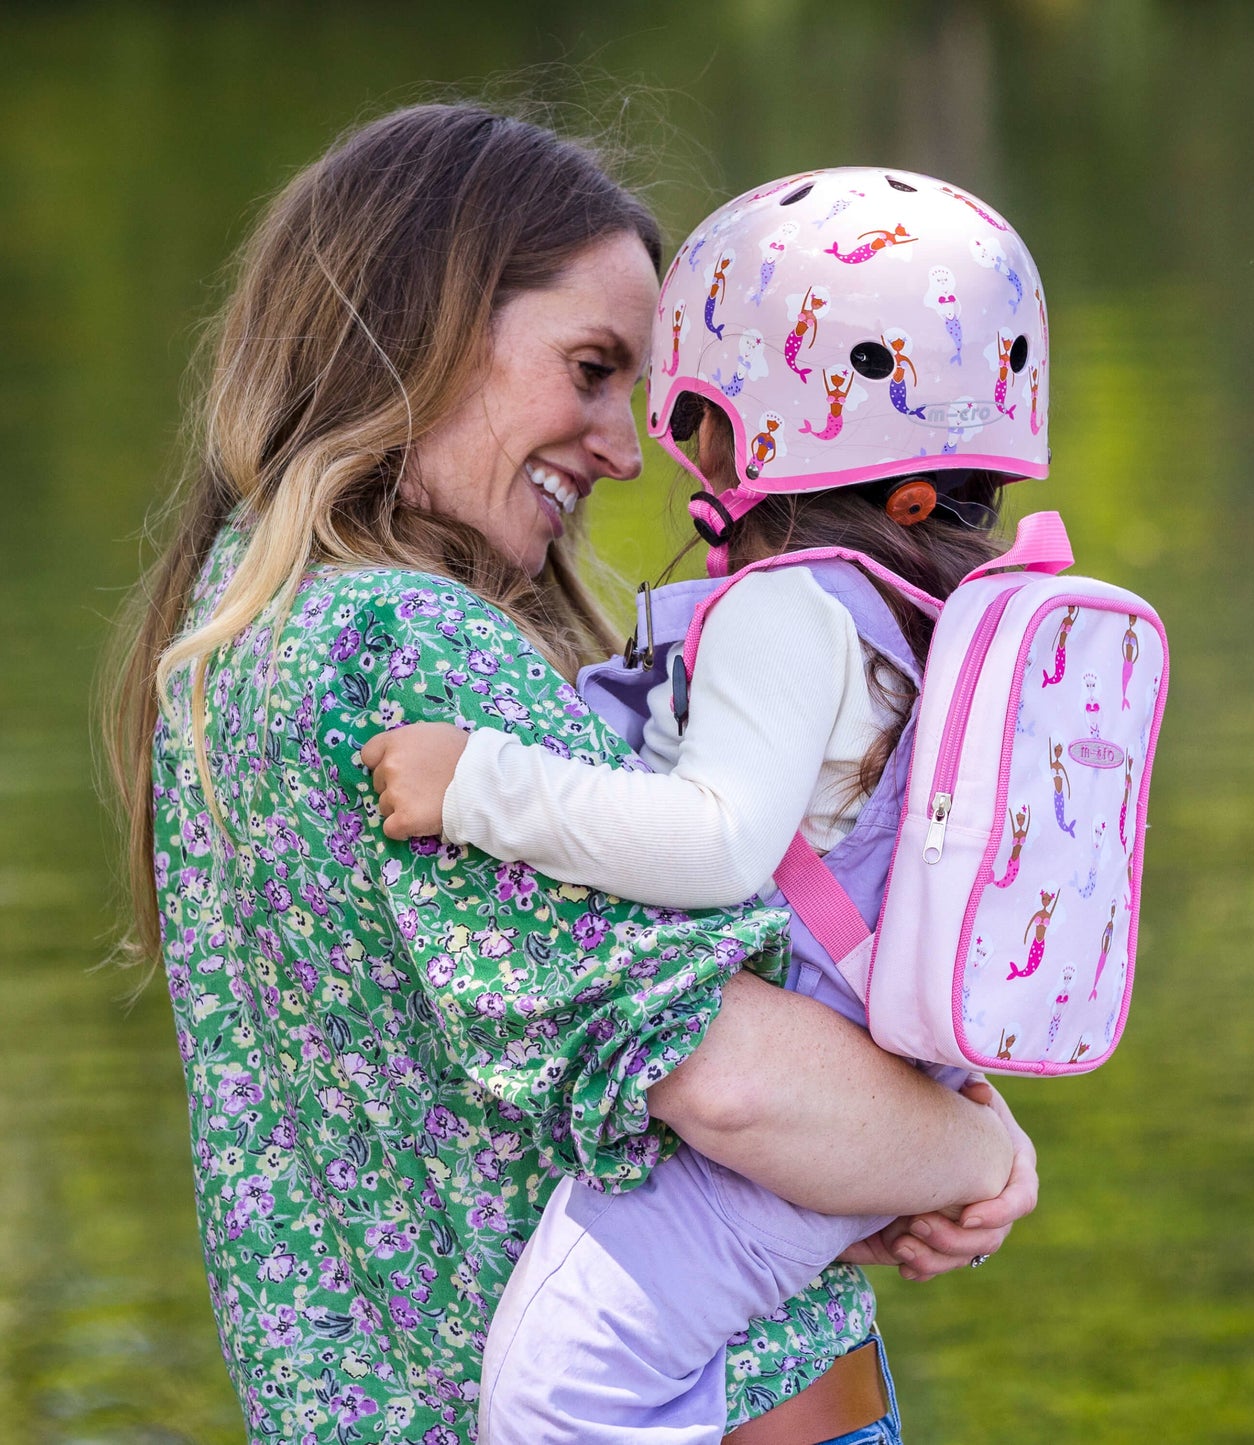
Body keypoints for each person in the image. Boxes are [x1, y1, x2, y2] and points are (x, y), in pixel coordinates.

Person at [103, 108, 1036, 1445]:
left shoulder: (236, 627)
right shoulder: (405, 642)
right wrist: (976, 1152)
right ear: (411, 326)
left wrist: (874, 1154)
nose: (626, 445)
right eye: (593, 368)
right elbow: (726, 1081)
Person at [362, 167, 1049, 1444]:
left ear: (751, 416)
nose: (648, 434)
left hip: (787, 1119)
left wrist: (479, 784)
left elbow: (718, 842)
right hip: (872, 1105)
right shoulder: (925, 616)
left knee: (557, 1390)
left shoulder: (790, 608)